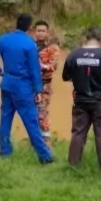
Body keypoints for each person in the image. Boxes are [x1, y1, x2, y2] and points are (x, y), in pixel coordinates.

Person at [0, 13, 54, 164]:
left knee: (5, 119)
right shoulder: (29, 44)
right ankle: (45, 156)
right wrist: (38, 90)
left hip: (7, 83)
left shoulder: (4, 39)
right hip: (23, 87)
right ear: (29, 27)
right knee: (31, 122)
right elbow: (34, 70)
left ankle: (5, 152)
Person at [62, 26, 101, 170]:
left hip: (80, 100)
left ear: (86, 38)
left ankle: (73, 166)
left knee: (78, 133)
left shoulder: (73, 55)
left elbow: (66, 77)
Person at [34, 20, 61, 148]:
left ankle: (47, 141)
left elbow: (53, 66)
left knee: (42, 113)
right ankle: (35, 140)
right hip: (30, 85)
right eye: (38, 31)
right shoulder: (30, 46)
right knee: (31, 113)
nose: (40, 33)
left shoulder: (53, 48)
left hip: (44, 86)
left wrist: (39, 65)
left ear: (47, 33)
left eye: (43, 31)